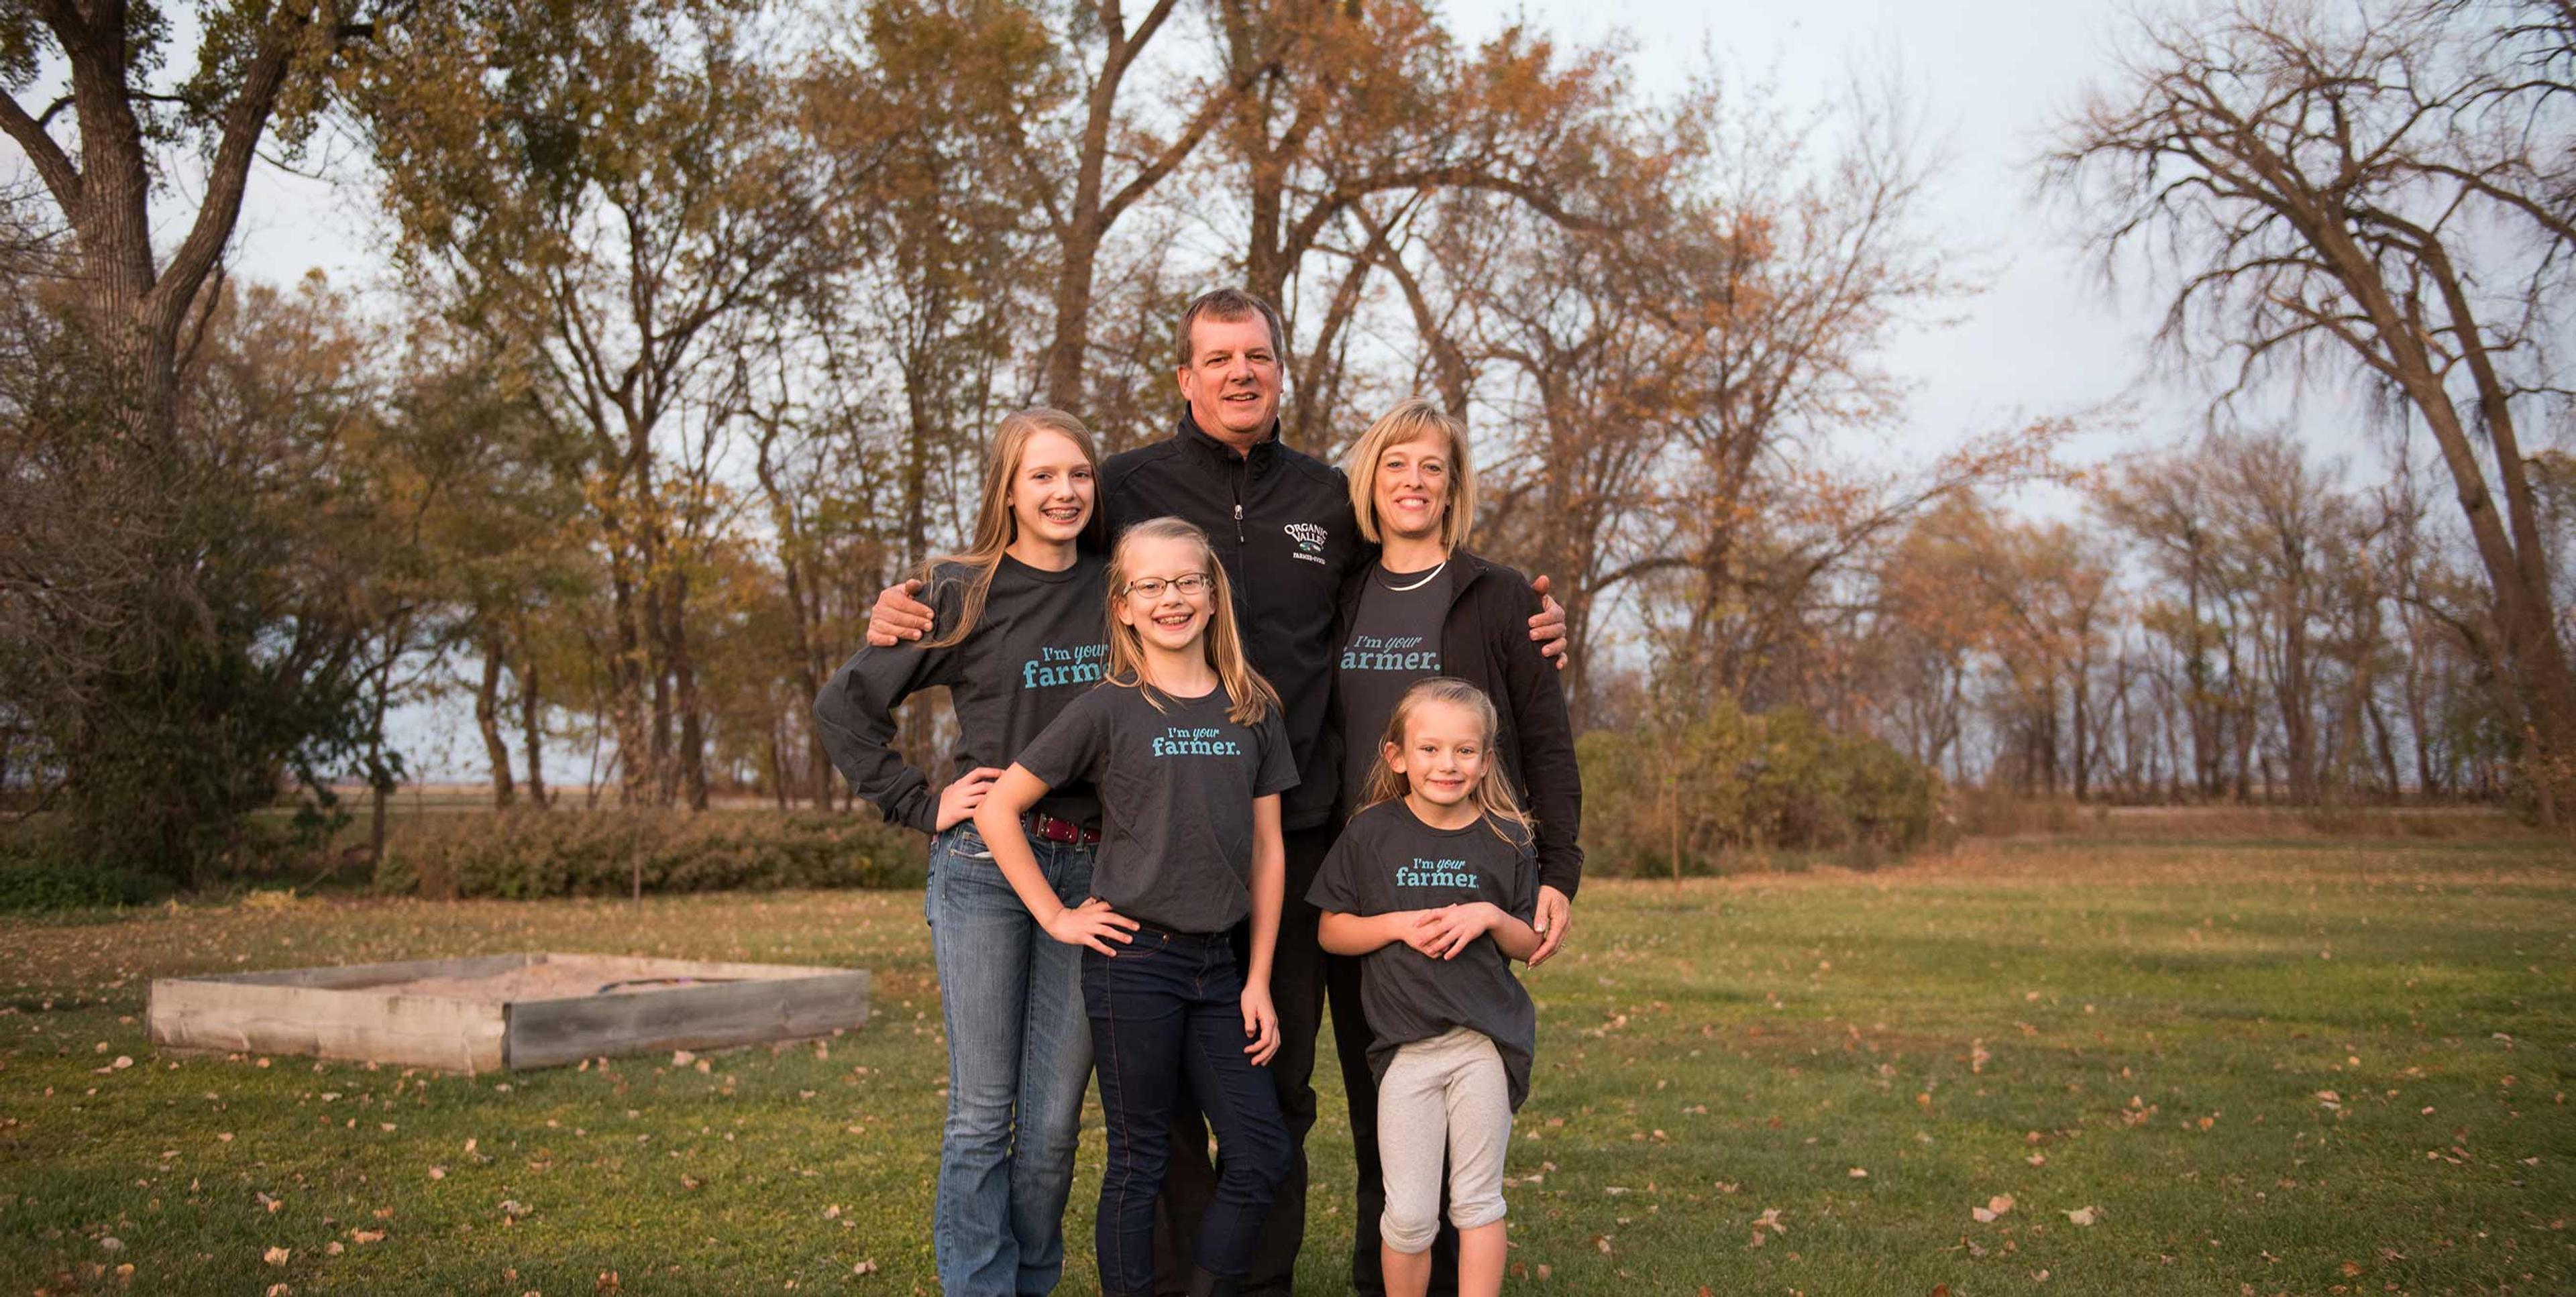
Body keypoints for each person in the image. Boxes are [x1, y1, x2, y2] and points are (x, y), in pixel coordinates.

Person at [867, 288, 1571, 1294]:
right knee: (1153, 1115)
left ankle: (1280, 1278)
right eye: (1220, 358)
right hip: (1158, 847)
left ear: (1279, 370)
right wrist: (921, 599)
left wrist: (1529, 616)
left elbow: (1427, 568)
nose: (1242, 372)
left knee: (1282, 1091)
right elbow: (1038, 536)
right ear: (1187, 378)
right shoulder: (1123, 485)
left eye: (1259, 355)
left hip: (1305, 834)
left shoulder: (1331, 499)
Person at [811, 410, 1110, 1297]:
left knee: (1054, 1125)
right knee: (984, 1113)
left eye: (1079, 476)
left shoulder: (1119, 587)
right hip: (985, 865)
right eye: (1043, 476)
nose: (1064, 492)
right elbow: (843, 709)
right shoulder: (960, 591)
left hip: (1093, 871)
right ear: (1007, 490)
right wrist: (922, 802)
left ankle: (1031, 1280)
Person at [974, 517, 1298, 1297]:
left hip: (1221, 969)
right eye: (1150, 585)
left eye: (1188, 580)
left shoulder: (1252, 706)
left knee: (1260, 1153)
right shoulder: (1108, 707)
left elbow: (1268, 850)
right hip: (1134, 964)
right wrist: (1059, 916)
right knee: (1139, 1159)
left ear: (1213, 595)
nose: (1171, 597)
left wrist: (1258, 978)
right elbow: (998, 808)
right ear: (1122, 605)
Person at [1326, 397, 1581, 1293]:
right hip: (1363, 888)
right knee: (1381, 1111)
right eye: (1395, 463)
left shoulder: (1502, 597)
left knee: (1462, 1101)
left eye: (1432, 465)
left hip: (1470, 888)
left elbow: (1547, 744)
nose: (1413, 481)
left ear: (1454, 483)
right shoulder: (1341, 589)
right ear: (1371, 478)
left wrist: (1559, 873)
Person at [1312, 678, 1545, 1297]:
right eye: (1431, 749)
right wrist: (1395, 927)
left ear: (1486, 760)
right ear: (1398, 756)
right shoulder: (1370, 834)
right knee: (1410, 1216)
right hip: (1406, 1054)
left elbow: (1531, 946)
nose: (1448, 764)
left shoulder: (1507, 838)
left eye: (1465, 751)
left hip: (1481, 1046)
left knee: (1477, 1202)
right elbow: (1332, 933)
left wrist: (1490, 918)